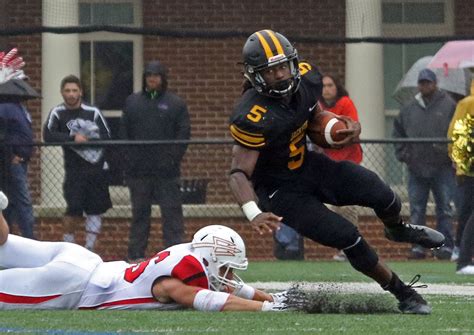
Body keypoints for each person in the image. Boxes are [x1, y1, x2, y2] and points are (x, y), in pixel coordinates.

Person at [228, 29, 445, 315]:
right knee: (347, 235)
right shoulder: (252, 114)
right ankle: (403, 292)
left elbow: (314, 116)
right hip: (281, 191)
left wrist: (339, 127)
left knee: (380, 192)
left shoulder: (305, 79)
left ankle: (398, 230)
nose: (281, 75)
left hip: (309, 166)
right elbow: (238, 173)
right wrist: (253, 211)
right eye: (271, 71)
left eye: (284, 66)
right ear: (256, 75)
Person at [0, 191, 287, 312]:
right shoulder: (176, 279)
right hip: (73, 285)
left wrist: (275, 299)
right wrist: (265, 309)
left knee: (4, 242)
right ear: (211, 259)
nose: (230, 276)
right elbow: (208, 299)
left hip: (81, 260)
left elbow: (231, 288)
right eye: (226, 267)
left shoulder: (190, 251)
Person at [119, 61, 191, 262]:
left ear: (163, 78)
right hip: (138, 172)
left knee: (172, 215)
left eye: (156, 75)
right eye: (149, 75)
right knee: (140, 215)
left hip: (167, 172)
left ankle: (175, 256)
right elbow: (123, 133)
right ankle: (135, 255)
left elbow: (183, 135)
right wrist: (129, 159)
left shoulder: (176, 104)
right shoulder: (132, 102)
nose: (152, 79)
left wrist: (171, 159)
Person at [393, 68, 456, 260]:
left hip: (442, 167)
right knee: (417, 210)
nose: (425, 85)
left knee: (444, 208)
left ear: (435, 83)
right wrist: (405, 155)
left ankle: (445, 247)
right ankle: (418, 247)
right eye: (422, 83)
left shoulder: (449, 105)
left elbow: (456, 132)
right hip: (416, 168)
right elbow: (398, 134)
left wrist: (450, 155)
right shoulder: (409, 108)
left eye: (428, 82)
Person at [43, 75, 112, 251]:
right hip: (74, 171)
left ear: (80, 92)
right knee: (73, 210)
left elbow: (107, 137)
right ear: (62, 92)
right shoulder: (57, 113)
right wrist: (72, 138)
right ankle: (69, 248)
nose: (71, 94)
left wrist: (89, 139)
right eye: (67, 91)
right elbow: (48, 135)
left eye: (74, 90)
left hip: (96, 170)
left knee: (95, 210)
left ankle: (90, 249)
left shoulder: (93, 112)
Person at [318, 74, 363, 261]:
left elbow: (350, 129)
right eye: (323, 86)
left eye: (330, 85)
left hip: (348, 162)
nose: (326, 89)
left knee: (348, 207)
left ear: (337, 87)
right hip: (328, 164)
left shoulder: (345, 103)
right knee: (332, 208)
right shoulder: (318, 106)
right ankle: (343, 246)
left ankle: (354, 246)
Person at [0, 48, 37, 239]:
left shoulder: (18, 108)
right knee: (22, 203)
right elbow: (3, 136)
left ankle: (15, 239)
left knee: (14, 204)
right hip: (12, 163)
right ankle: (30, 239)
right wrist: (11, 155)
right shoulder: (5, 108)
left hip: (20, 162)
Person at [447, 74, 474, 275]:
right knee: (467, 214)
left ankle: (464, 259)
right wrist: (460, 162)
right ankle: (463, 260)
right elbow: (456, 134)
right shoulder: (467, 104)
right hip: (469, 170)